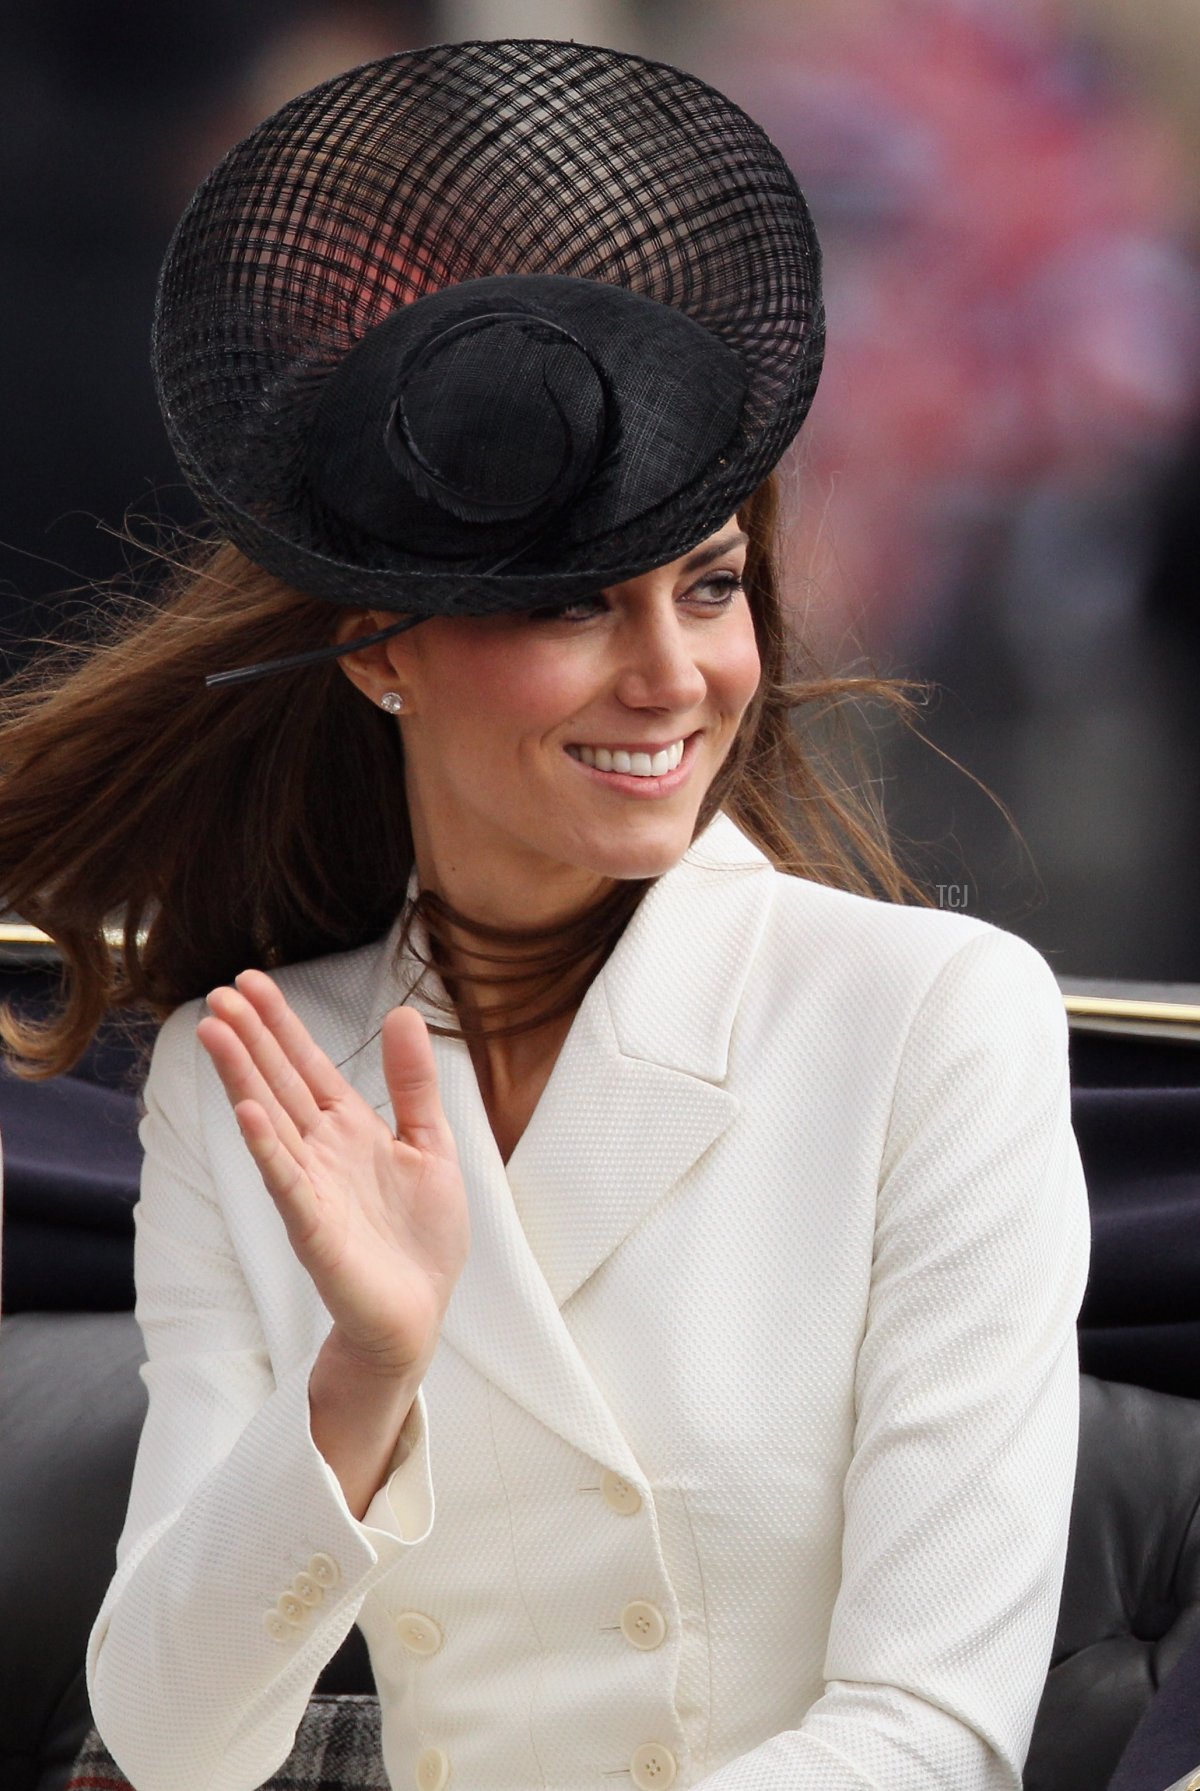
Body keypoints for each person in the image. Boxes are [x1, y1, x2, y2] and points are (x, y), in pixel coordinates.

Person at [0, 38, 1089, 1791]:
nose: (676, 675)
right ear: (379, 649)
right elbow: (172, 1743)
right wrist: (362, 1374)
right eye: (579, 606)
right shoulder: (252, 1073)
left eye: (715, 587)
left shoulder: (935, 1016)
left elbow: (932, 1732)